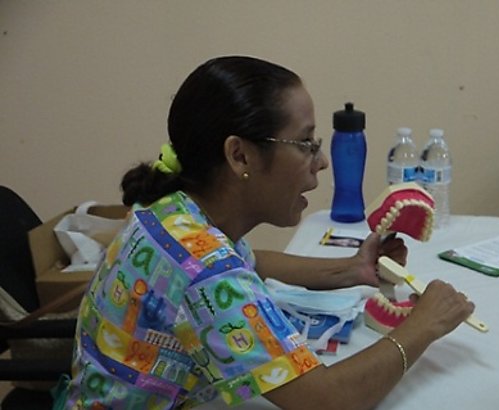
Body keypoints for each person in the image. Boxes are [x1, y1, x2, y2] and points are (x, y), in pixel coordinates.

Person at [57, 56, 474, 409]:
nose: (322, 161)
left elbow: (249, 262)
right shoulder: (204, 269)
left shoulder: (174, 213)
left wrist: (353, 269)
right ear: (240, 155)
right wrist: (425, 325)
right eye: (306, 143)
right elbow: (328, 399)